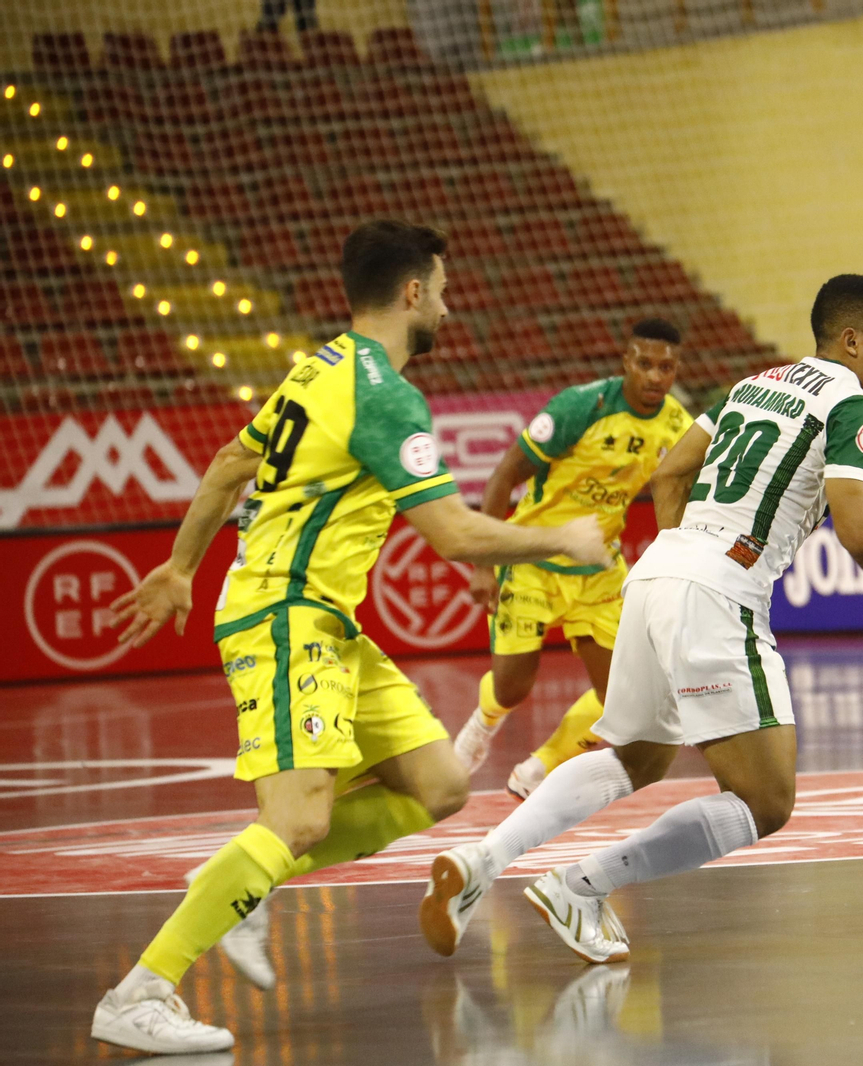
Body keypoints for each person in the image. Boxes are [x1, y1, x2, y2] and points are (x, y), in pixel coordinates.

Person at [90, 221, 608, 1055]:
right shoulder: (386, 395)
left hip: (331, 624)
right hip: (285, 615)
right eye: (441, 287)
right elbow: (454, 535)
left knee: (440, 784)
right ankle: (139, 990)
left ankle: (238, 884)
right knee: (296, 820)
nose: (447, 302)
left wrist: (183, 567)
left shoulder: (317, 367)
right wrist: (563, 539)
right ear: (411, 294)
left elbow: (229, 462)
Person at [418, 274, 863, 963]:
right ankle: (580, 886)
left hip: (656, 574)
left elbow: (668, 476)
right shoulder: (854, 411)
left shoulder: (752, 384)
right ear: (853, 340)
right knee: (765, 802)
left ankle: (478, 862)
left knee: (637, 754)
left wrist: (688, 551)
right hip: (717, 591)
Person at [453, 319, 692, 798]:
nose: (654, 377)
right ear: (626, 361)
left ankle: (540, 767)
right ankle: (484, 722)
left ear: (676, 370)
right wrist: (483, 564)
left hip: (599, 570)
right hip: (533, 558)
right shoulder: (581, 407)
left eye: (665, 368)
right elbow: (502, 478)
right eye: (644, 364)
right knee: (512, 690)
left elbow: (697, 483)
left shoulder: (675, 424)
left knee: (622, 697)